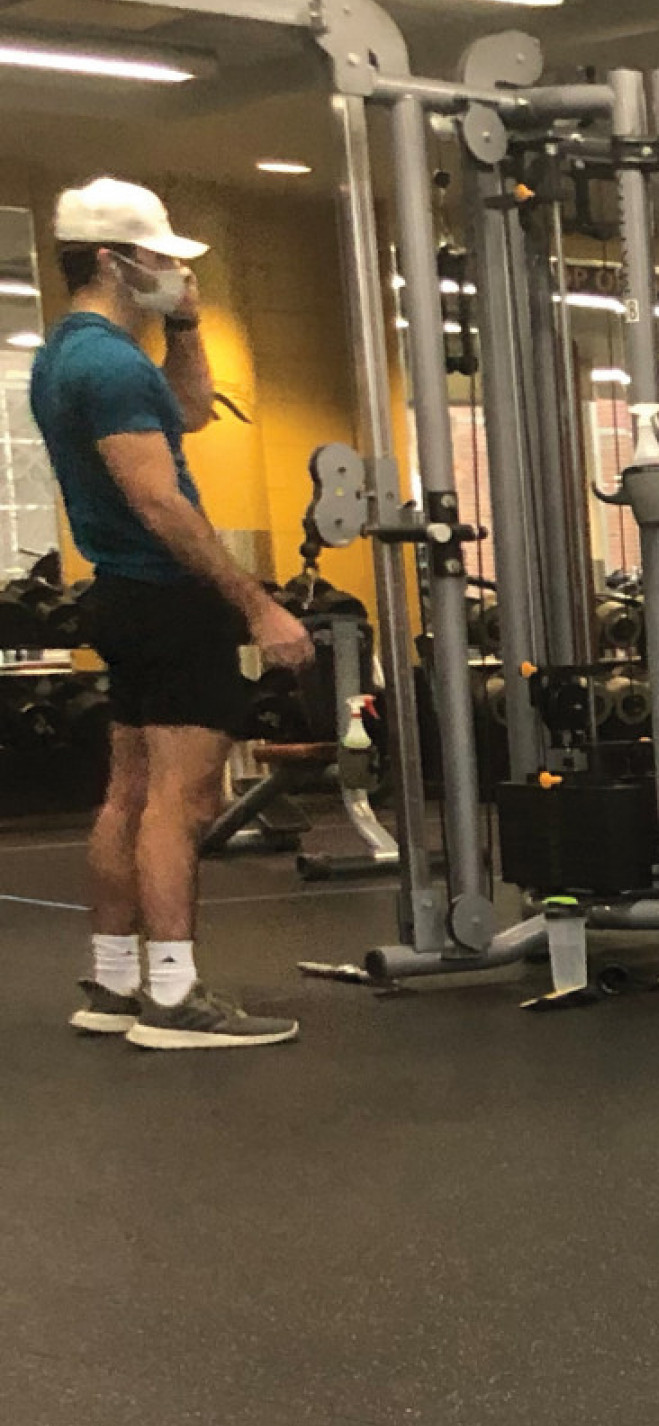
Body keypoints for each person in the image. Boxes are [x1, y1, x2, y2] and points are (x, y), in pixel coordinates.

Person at [40, 176, 305, 1050]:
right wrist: (255, 602)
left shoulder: (71, 354)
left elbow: (187, 411)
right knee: (179, 802)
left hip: (118, 593)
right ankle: (174, 996)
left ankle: (116, 982)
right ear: (114, 261)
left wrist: (186, 324)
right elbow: (160, 502)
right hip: (166, 595)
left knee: (129, 793)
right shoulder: (107, 364)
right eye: (158, 260)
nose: (171, 272)